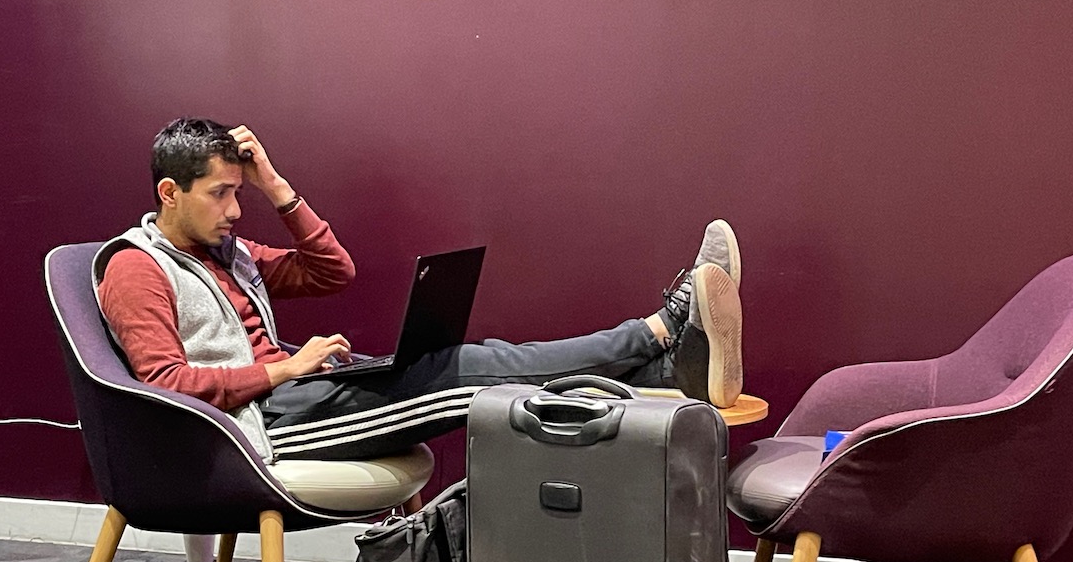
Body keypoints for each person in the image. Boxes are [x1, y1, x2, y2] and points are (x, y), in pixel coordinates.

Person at [94, 117, 742, 461]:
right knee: (470, 372)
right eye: (221, 194)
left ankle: (666, 367)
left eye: (240, 193)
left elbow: (330, 271)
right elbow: (164, 385)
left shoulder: (225, 253)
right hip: (259, 427)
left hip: (299, 396)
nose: (236, 211)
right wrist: (288, 368)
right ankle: (658, 333)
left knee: (474, 360)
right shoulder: (136, 268)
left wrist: (275, 184)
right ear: (169, 194)